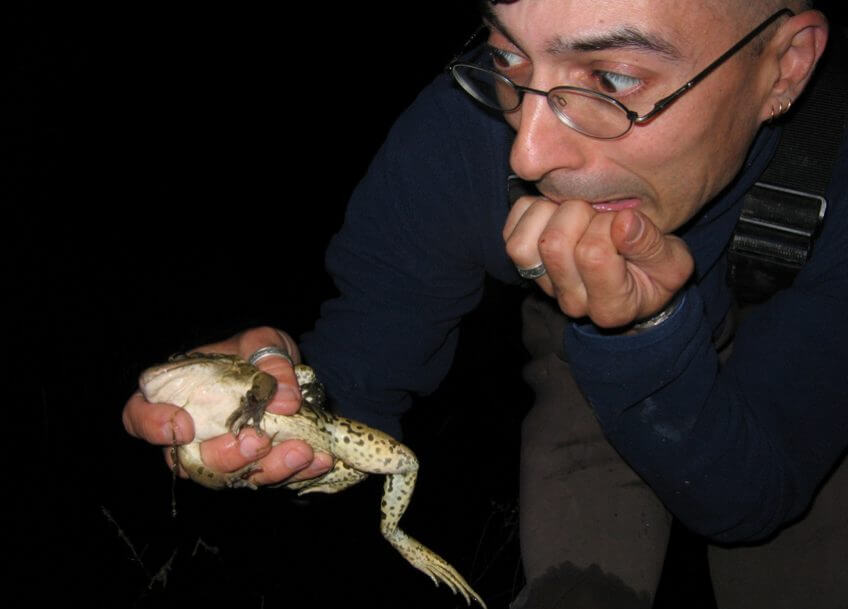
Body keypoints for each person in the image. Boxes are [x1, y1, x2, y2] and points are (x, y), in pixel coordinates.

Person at [123, 1, 847, 607]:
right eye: (508, 60)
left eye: (613, 78)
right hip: (587, 348)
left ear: (785, 65)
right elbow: (363, 367)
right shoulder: (459, 137)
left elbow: (749, 498)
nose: (527, 154)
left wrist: (648, 328)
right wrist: (283, 423)